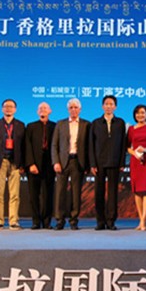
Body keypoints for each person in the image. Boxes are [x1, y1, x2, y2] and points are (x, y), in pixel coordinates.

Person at [89, 95, 127, 231]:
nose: (109, 106)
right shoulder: (96, 123)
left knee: (113, 193)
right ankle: (100, 221)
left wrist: (122, 162)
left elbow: (123, 144)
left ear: (115, 107)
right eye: (106, 104)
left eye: (111, 104)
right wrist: (92, 164)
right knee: (99, 193)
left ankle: (111, 221)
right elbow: (91, 145)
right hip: (99, 163)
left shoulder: (120, 123)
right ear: (102, 106)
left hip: (115, 162)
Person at [52, 98, 91, 230]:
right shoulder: (60, 124)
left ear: (80, 109)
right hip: (63, 162)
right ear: (68, 109)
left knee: (76, 193)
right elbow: (54, 145)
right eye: (71, 107)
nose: (73, 110)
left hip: (78, 162)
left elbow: (89, 146)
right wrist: (56, 162)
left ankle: (74, 220)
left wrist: (87, 164)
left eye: (76, 107)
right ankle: (60, 220)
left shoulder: (86, 124)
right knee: (60, 192)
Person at [0, 99, 25, 230]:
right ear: (2, 109)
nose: (8, 108)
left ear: (15, 109)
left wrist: (22, 164)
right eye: (6, 106)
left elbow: (23, 146)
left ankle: (13, 221)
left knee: (14, 194)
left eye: (11, 106)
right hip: (0, 162)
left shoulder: (20, 125)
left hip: (15, 162)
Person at [25, 102, 57, 229]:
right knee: (34, 195)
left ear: (50, 111)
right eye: (40, 108)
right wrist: (30, 163)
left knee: (48, 195)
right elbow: (27, 146)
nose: (43, 110)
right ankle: (36, 221)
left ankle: (47, 221)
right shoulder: (31, 126)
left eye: (45, 108)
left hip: (49, 165)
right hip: (34, 165)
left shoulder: (55, 126)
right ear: (37, 112)